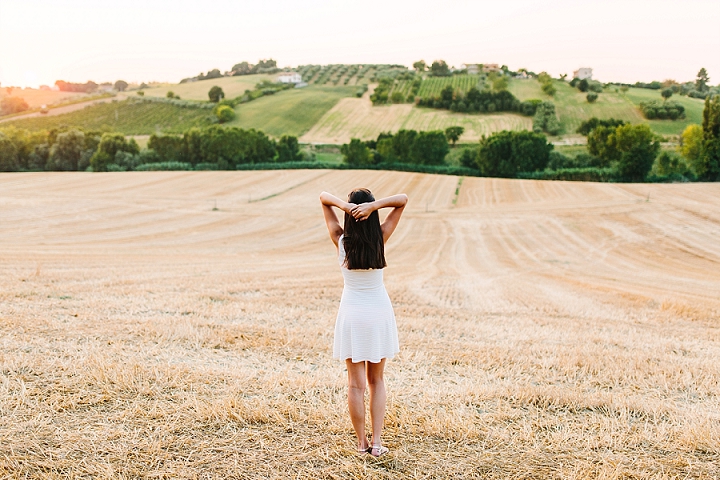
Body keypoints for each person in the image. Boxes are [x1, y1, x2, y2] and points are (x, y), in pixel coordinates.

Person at [319, 188, 408, 458]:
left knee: (355, 384)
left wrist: (346, 207)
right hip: (378, 312)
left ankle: (361, 444)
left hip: (352, 314)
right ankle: (377, 443)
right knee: (376, 381)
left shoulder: (340, 240)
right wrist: (374, 206)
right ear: (371, 214)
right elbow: (402, 200)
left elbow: (323, 197)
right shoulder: (380, 238)